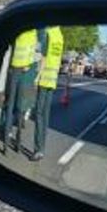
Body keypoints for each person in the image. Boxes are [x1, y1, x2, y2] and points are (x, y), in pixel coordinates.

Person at [30, 25, 65, 161]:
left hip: (44, 78)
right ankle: (42, 149)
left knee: (38, 113)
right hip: (52, 79)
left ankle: (38, 149)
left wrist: (36, 77)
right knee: (45, 115)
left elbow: (43, 57)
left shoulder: (48, 33)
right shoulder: (59, 36)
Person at [1, 29, 40, 151]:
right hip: (26, 72)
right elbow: (37, 55)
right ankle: (18, 140)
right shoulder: (35, 33)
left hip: (14, 70)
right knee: (20, 107)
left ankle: (6, 140)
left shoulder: (19, 29)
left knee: (10, 106)